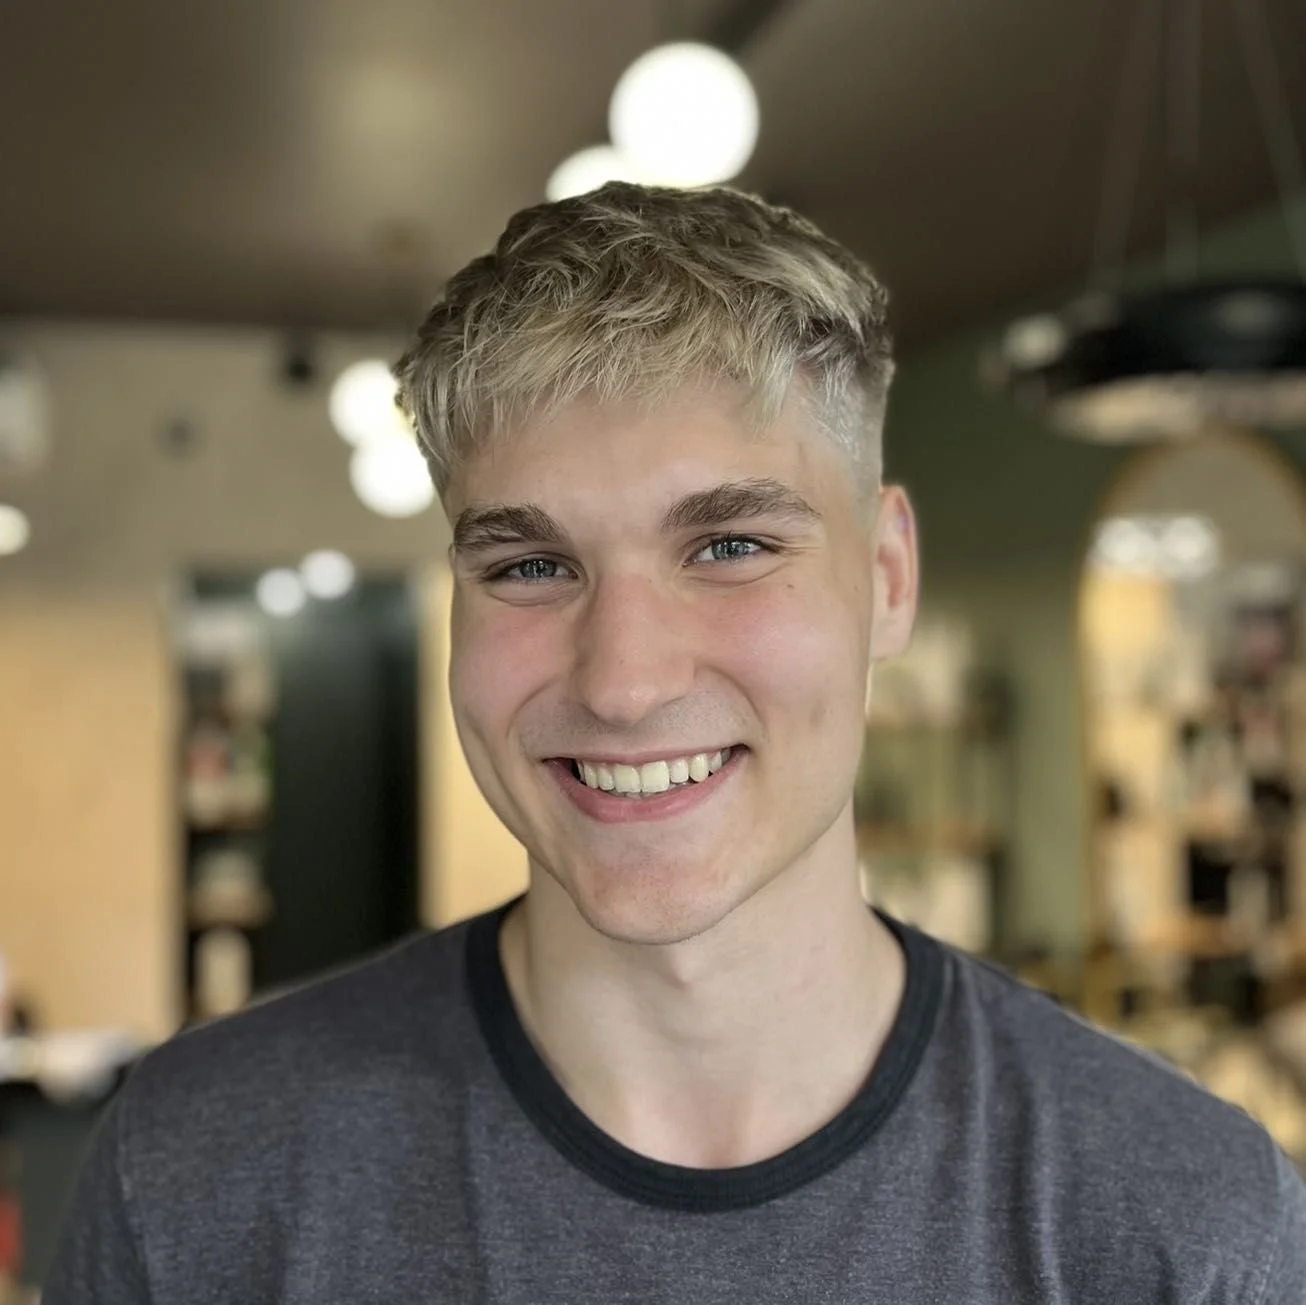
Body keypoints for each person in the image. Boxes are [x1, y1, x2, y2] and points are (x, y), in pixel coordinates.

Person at [47, 183, 1306, 1303]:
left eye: (730, 545)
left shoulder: (1185, 1226)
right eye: (529, 565)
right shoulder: (198, 1182)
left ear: (884, 577)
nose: (625, 682)